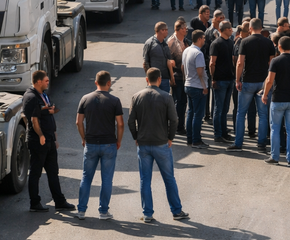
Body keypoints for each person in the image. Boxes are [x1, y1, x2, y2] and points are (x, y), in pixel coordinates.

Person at [128, 68, 188, 223]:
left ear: (146, 79)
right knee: (169, 178)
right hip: (161, 143)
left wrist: (136, 136)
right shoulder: (166, 97)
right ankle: (176, 211)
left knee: (145, 180)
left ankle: (148, 213)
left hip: (143, 144)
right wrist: (170, 137)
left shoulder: (136, 97)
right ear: (160, 80)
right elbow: (174, 120)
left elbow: (130, 121)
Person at [74, 71, 123, 221]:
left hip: (91, 143)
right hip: (109, 144)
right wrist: (118, 141)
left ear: (96, 82)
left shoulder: (85, 99)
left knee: (86, 177)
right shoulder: (115, 101)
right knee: (107, 179)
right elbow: (120, 124)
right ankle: (103, 211)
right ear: (109, 83)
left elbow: (78, 122)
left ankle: (81, 211)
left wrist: (84, 138)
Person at [25, 70, 74, 212]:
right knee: (35, 173)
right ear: (38, 81)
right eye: (46, 80)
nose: (48, 82)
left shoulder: (43, 95)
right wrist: (41, 136)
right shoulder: (31, 97)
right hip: (38, 141)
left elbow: (49, 117)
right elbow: (34, 120)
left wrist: (54, 137)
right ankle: (35, 203)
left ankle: (59, 201)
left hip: (50, 141)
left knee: (53, 172)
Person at [229, 18, 277, 152]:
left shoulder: (244, 42)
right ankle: (261, 144)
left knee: (241, 113)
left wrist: (238, 80)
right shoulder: (268, 43)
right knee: (262, 114)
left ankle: (238, 142)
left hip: (248, 81)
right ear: (261, 28)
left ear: (250, 28)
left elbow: (240, 62)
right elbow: (271, 64)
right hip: (263, 82)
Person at [262, 36, 290, 166]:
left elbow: (270, 80)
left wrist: (265, 94)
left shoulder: (275, 61)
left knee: (275, 128)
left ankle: (275, 157)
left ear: (279, 46)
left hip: (278, 98)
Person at [209, 21, 235, 143]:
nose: (231, 30)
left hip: (230, 79)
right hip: (220, 80)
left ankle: (224, 132)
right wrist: (213, 78)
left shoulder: (231, 42)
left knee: (225, 109)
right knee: (218, 109)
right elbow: (212, 63)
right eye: (229, 28)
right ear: (224, 30)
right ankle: (217, 134)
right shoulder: (216, 44)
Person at [182, 30, 208, 148]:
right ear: (199, 39)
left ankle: (190, 138)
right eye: (203, 38)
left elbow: (183, 67)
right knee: (198, 115)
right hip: (197, 87)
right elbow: (200, 72)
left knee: (191, 112)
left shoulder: (186, 50)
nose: (204, 40)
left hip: (188, 84)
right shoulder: (198, 54)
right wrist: (204, 86)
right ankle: (196, 140)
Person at [167, 20, 189, 135]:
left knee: (183, 102)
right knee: (177, 102)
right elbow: (169, 62)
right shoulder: (171, 42)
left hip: (184, 76)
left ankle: (180, 126)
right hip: (176, 77)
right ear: (178, 29)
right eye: (184, 28)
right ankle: (175, 127)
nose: (186, 29)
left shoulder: (185, 41)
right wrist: (171, 77)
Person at [142, 22, 175, 94]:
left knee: (164, 102)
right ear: (161, 30)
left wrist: (172, 77)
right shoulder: (149, 43)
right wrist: (150, 78)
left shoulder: (165, 44)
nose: (167, 32)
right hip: (154, 80)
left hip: (165, 79)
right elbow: (145, 62)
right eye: (165, 30)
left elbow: (169, 61)